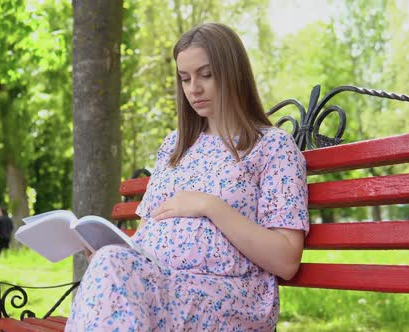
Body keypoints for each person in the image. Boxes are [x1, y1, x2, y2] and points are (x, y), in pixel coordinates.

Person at [66, 23, 309, 331]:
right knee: (109, 263)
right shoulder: (174, 146)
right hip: (161, 287)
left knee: (112, 271)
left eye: (206, 75)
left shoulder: (272, 146)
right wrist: (109, 252)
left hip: (229, 297)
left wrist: (210, 206)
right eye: (185, 78)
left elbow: (287, 261)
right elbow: (144, 235)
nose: (194, 88)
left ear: (233, 73)